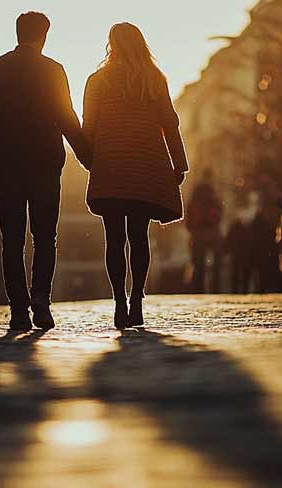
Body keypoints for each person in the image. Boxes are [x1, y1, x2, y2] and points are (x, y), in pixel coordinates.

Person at [0, 12, 90, 331]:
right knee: (45, 237)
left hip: (7, 168)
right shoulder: (53, 71)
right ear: (44, 36)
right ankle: (41, 300)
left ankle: (19, 310)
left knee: (11, 239)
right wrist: (88, 156)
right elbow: (67, 118)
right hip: (44, 167)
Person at [83, 23, 188, 329]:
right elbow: (170, 123)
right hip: (146, 168)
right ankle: (137, 301)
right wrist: (178, 164)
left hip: (111, 169)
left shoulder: (97, 80)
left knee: (113, 239)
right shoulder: (154, 79)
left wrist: (91, 162)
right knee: (138, 237)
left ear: (111, 44)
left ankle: (119, 302)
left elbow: (89, 126)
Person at [186, 174, 223, 293]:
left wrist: (191, 228)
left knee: (198, 264)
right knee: (216, 263)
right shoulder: (212, 195)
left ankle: (198, 289)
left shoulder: (196, 195)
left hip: (197, 233)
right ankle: (215, 287)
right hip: (211, 232)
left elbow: (190, 212)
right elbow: (219, 211)